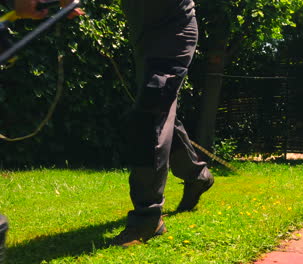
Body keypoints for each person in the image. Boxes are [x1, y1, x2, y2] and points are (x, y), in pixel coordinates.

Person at [2, 0, 214, 248]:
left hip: (175, 30)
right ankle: (196, 174)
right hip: (144, 37)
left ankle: (147, 218)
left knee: (150, 113)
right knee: (157, 111)